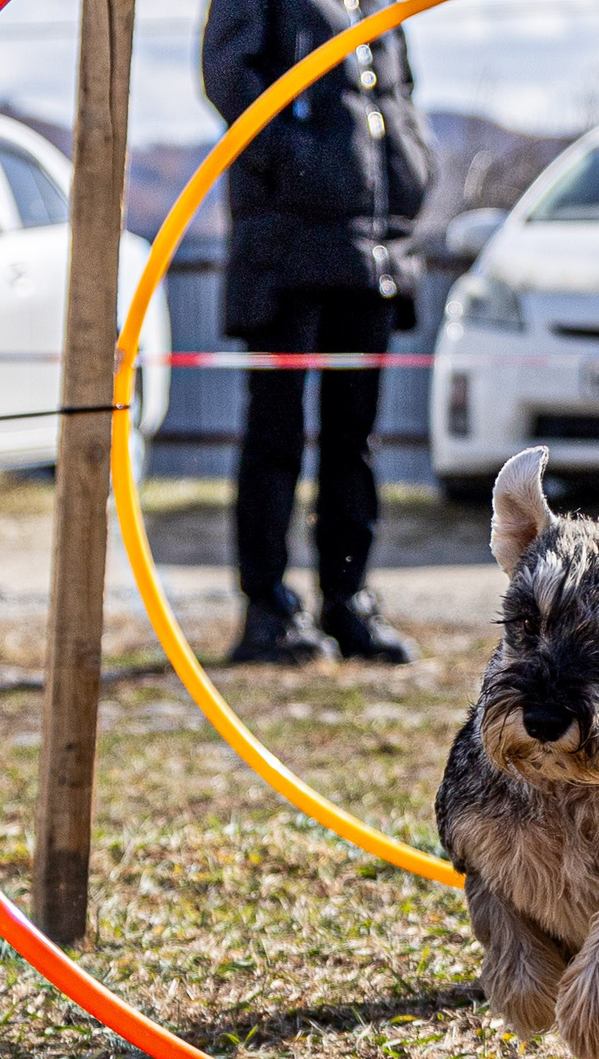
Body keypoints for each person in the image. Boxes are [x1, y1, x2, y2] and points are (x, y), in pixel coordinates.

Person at [202, 0, 433, 665]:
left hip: (373, 251)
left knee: (353, 438)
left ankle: (348, 600)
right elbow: (228, 77)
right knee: (275, 436)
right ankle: (268, 609)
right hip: (285, 247)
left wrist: (410, 163)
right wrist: (299, 162)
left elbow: (399, 92)